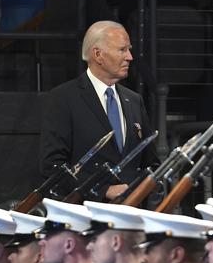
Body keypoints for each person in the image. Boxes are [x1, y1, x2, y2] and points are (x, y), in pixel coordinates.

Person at [39, 21, 157, 201]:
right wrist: (103, 190)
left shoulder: (134, 100)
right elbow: (52, 166)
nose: (130, 57)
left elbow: (150, 163)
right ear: (98, 54)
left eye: (129, 49)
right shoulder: (63, 98)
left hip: (132, 215)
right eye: (122, 50)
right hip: (84, 215)